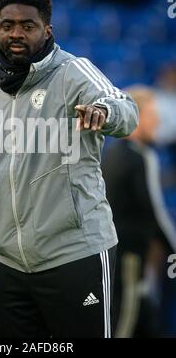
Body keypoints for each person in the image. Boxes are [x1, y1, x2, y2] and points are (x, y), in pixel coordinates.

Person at [0, 0, 138, 338]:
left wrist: (103, 111)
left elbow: (127, 110)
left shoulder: (73, 73)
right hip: (10, 264)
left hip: (76, 255)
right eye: (7, 25)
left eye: (27, 26)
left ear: (47, 30)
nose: (15, 33)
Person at [102, 86, 176, 338]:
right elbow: (156, 213)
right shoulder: (141, 156)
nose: (157, 121)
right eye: (152, 114)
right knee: (124, 322)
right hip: (129, 257)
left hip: (113, 255)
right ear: (136, 116)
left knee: (143, 320)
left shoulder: (112, 154)